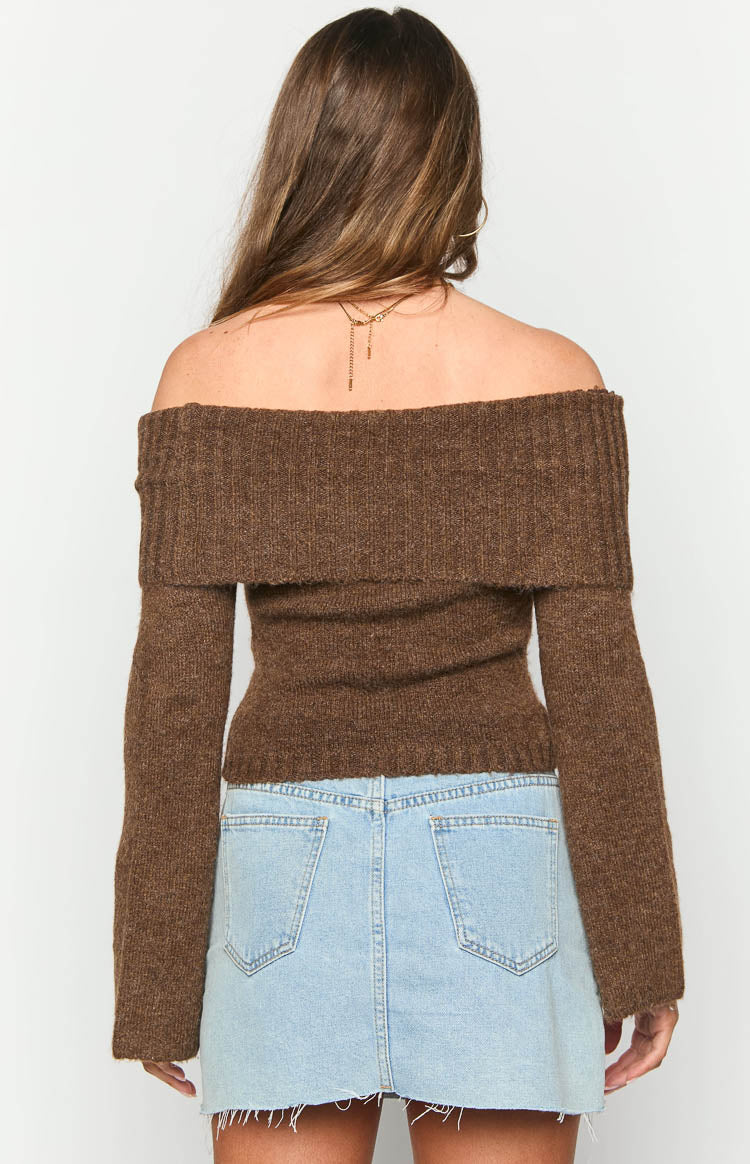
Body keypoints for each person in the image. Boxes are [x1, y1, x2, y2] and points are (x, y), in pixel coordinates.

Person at [111, 7, 684, 1162]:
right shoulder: (550, 376)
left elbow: (172, 708)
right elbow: (602, 699)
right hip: (499, 854)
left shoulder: (206, 377)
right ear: (455, 164)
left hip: (285, 857)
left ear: (300, 155)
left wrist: (155, 983)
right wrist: (643, 958)